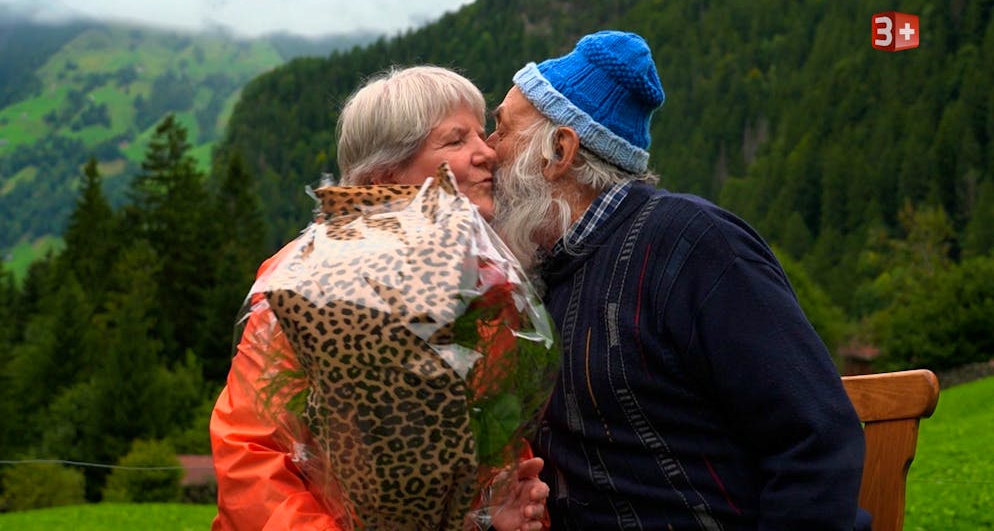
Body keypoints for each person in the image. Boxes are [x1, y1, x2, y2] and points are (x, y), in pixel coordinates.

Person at [486, 30, 868, 530]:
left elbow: (817, 436)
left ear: (559, 151)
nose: (488, 151)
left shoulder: (693, 246)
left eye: (501, 130)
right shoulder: (543, 276)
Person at [211, 65, 549, 531]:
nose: (486, 153)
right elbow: (252, 457)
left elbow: (493, 447)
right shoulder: (309, 279)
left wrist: (497, 513)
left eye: (481, 134)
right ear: (386, 173)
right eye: (456, 141)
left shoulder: (488, 282)